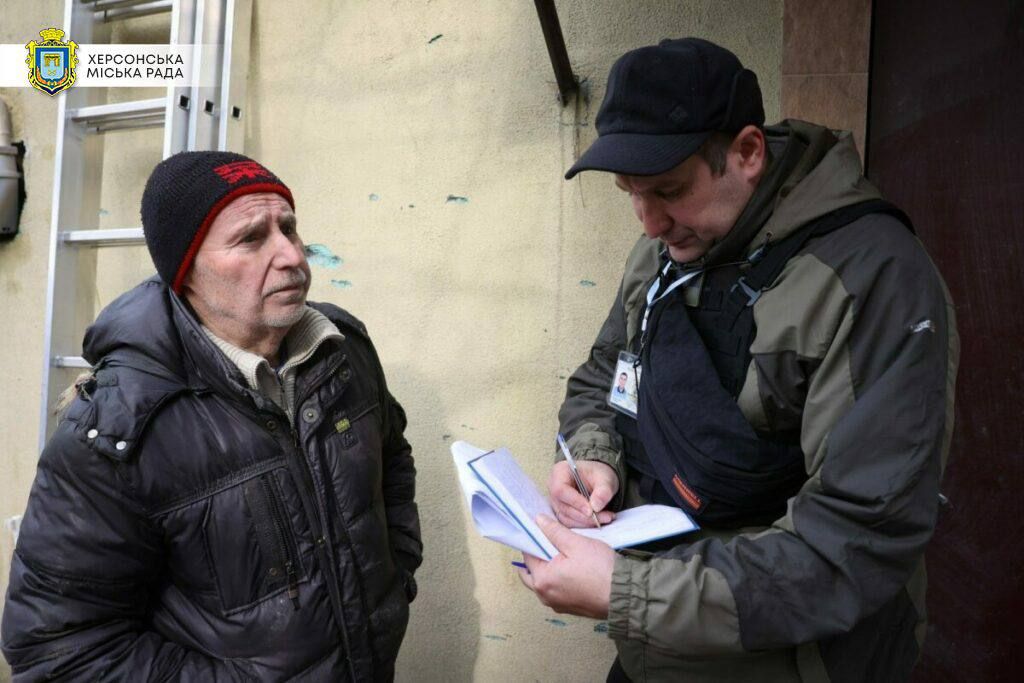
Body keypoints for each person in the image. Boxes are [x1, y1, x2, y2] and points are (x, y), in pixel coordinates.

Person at [518, 38, 959, 682]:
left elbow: (855, 539)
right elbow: (604, 376)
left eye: (669, 190)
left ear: (748, 153)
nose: (649, 223)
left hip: (795, 663)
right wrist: (591, 457)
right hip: (655, 648)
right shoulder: (665, 254)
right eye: (630, 192)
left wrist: (628, 593)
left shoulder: (872, 279)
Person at [1, 152, 421, 681]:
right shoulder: (118, 426)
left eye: (288, 227)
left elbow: (392, 461)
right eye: (251, 238)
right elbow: (61, 651)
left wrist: (393, 579)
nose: (291, 254)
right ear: (187, 271)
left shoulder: (343, 350)